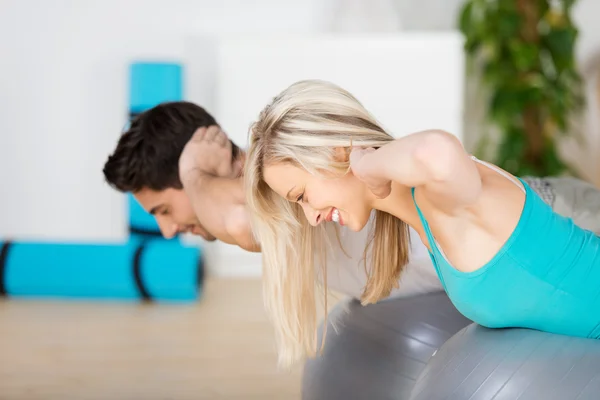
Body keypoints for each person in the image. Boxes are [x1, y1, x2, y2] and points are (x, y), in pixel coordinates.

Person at [103, 100, 600, 398]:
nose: (168, 231)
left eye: (164, 210)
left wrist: (193, 173)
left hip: (562, 222)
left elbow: (235, 221)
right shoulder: (289, 184)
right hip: (506, 275)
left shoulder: (284, 183)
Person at [245, 78, 600, 368]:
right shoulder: (424, 218)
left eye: (302, 195)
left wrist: (367, 165)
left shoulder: (438, 194)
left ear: (336, 152)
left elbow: (438, 151)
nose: (311, 216)